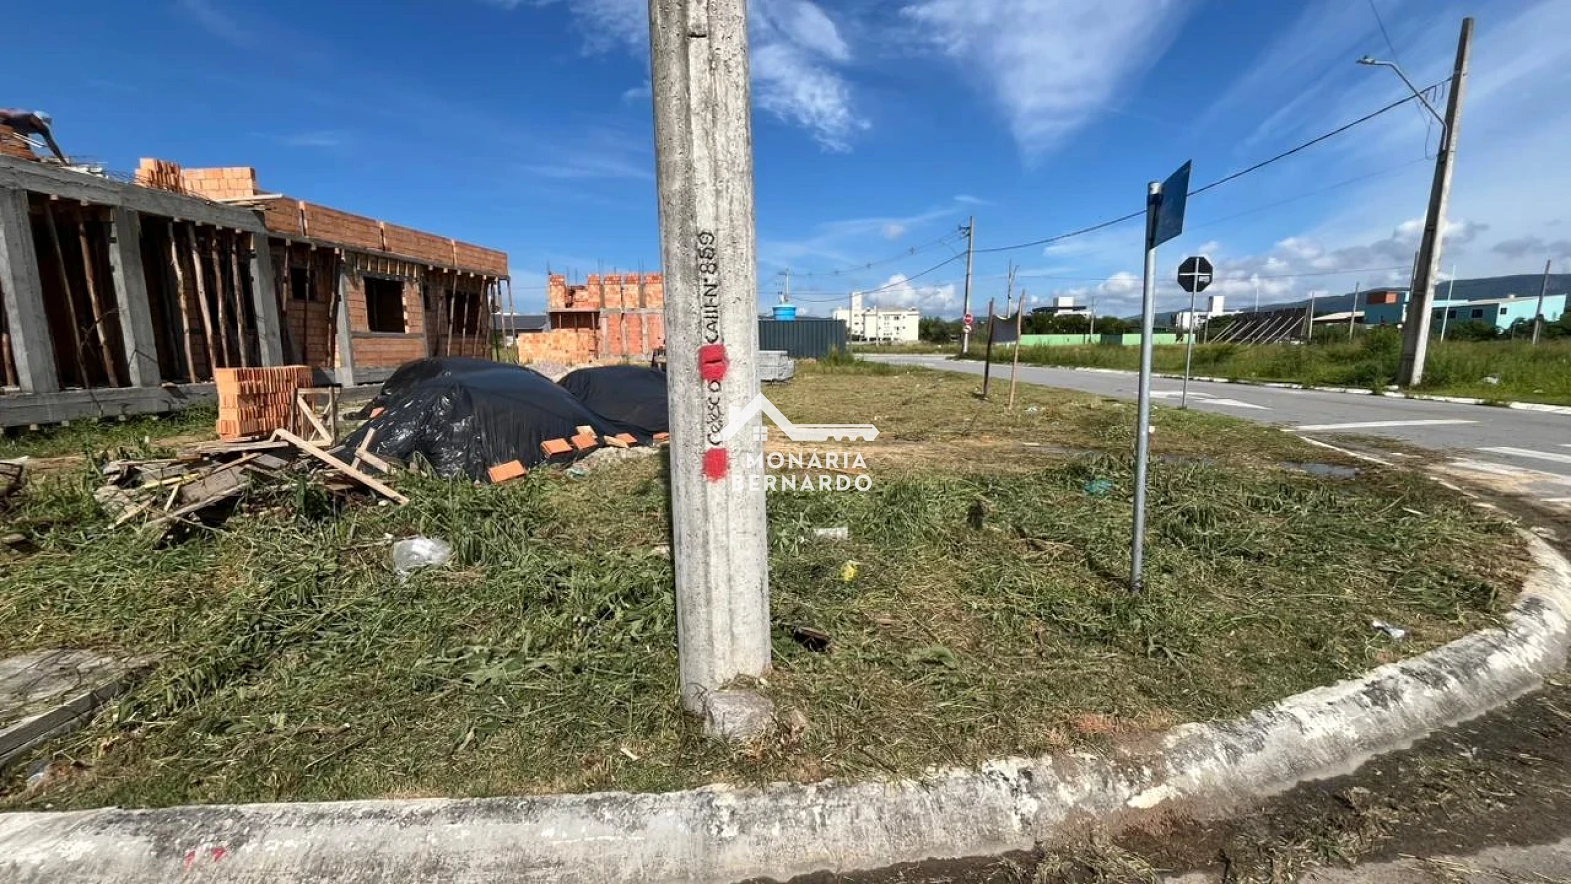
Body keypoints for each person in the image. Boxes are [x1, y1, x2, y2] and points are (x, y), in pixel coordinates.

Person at [0, 109, 65, 162]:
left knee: (24, 149)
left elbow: (52, 145)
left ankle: (27, 158)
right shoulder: (17, 115)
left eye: (43, 125)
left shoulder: (43, 129)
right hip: (3, 125)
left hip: (19, 131)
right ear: (36, 118)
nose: (41, 126)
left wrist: (63, 161)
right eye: (41, 123)